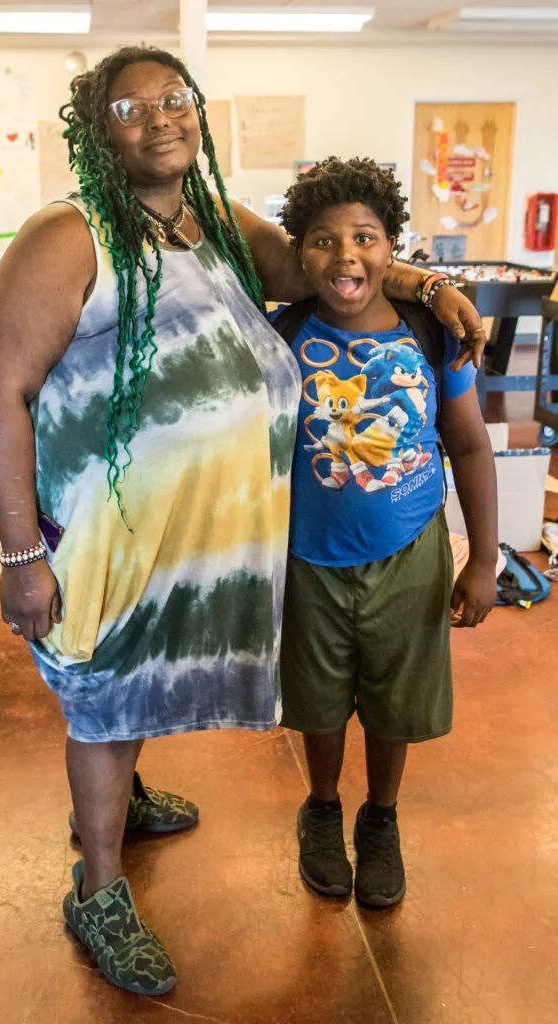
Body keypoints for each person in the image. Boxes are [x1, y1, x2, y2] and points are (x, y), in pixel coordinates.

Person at [0, 47, 489, 996]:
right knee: (100, 687)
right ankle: (97, 887)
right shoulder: (68, 234)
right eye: (131, 106)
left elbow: (312, 263)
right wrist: (18, 555)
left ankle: (118, 805)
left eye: (176, 99)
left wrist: (420, 281)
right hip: (103, 530)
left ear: (197, 114)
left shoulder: (205, 220)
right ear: (96, 130)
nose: (160, 117)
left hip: (182, 534)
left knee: (135, 675)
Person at [272, 157, 498, 909]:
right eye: (322, 241)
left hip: (410, 552)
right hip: (306, 558)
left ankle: (380, 818)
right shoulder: (282, 337)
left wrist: (485, 561)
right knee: (319, 699)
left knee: (396, 700)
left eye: (364, 238)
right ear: (297, 255)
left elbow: (466, 444)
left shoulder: (430, 337)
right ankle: (322, 807)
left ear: (390, 248)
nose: (345, 258)